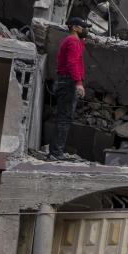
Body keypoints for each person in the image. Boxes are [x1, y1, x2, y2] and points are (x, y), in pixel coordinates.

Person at [49, 17, 90, 160]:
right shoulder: (72, 41)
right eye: (83, 27)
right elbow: (72, 63)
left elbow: (77, 59)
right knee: (64, 118)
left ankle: (55, 152)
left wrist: (83, 40)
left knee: (64, 118)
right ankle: (55, 153)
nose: (86, 29)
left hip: (66, 80)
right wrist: (78, 83)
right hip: (68, 81)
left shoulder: (75, 41)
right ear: (75, 27)